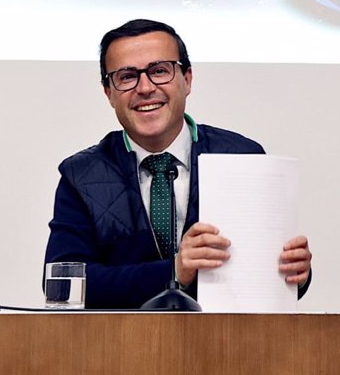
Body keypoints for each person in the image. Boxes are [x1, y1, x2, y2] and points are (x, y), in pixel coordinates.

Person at [44, 19, 312, 309]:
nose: (145, 88)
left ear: (188, 79)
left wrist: (296, 271)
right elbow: (63, 288)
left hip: (228, 343)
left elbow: (267, 275)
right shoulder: (81, 174)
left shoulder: (242, 155)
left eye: (160, 71)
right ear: (109, 92)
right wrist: (174, 271)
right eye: (126, 76)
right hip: (119, 346)